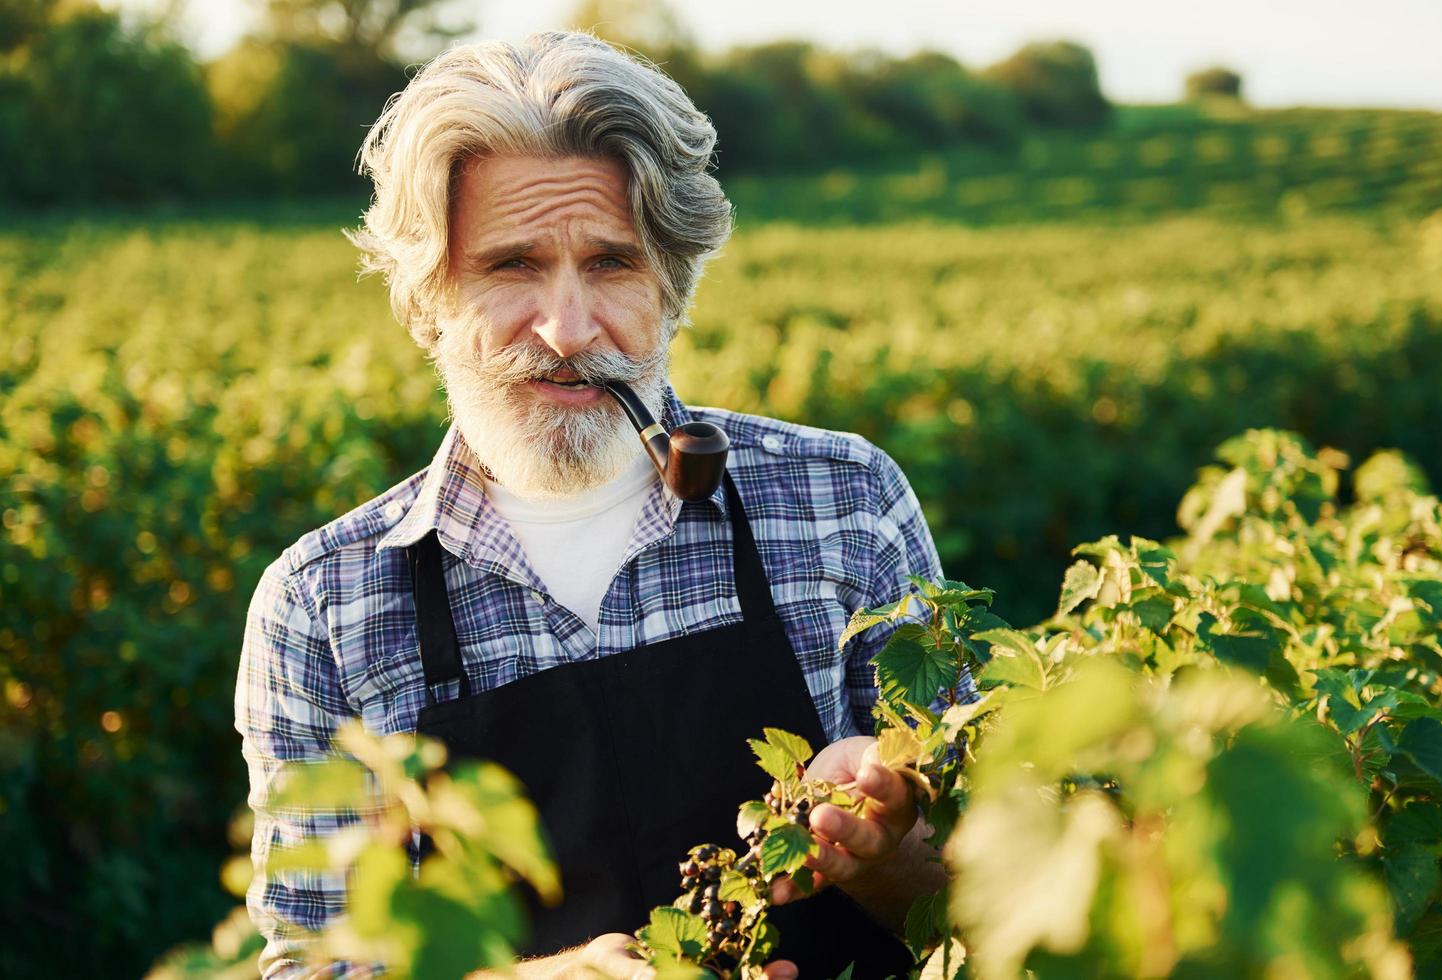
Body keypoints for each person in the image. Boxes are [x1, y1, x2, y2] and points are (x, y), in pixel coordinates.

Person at [237, 31, 949, 980]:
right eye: (511, 266)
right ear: (430, 295)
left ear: (672, 284)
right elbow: (310, 962)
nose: (568, 332)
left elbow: (995, 888)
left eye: (611, 264)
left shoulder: (843, 500)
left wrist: (889, 852)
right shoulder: (322, 604)